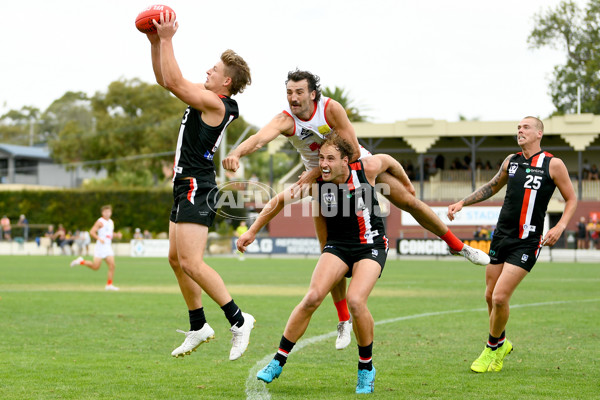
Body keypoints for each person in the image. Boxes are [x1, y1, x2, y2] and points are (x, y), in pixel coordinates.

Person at [223, 69, 489, 350]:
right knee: (329, 248)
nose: (293, 98)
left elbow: (351, 149)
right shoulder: (284, 120)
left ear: (313, 94)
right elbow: (262, 139)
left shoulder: (331, 109)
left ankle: (458, 246)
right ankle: (343, 320)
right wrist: (237, 153)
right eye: (289, 92)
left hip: (353, 168)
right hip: (323, 183)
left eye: (299, 92)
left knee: (409, 202)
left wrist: (405, 183)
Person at [238, 135, 398, 393]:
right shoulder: (315, 183)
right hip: (338, 246)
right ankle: (278, 360)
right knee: (312, 297)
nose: (323, 163)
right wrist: (252, 231)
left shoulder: (365, 169)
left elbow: (390, 161)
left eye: (330, 159)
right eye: (321, 158)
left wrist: (409, 186)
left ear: (345, 161)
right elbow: (278, 201)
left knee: (356, 301)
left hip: (371, 245)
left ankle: (366, 368)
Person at [145, 10, 254, 361]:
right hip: (184, 184)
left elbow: (176, 83)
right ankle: (198, 326)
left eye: (215, 70)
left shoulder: (215, 103)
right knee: (176, 260)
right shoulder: (207, 97)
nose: (208, 71)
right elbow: (166, 81)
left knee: (192, 261)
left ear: (226, 83)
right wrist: (153, 42)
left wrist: (167, 39)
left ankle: (239, 320)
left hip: (197, 185)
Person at [447, 116, 577, 373]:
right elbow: (492, 186)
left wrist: (559, 226)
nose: (520, 130)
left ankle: (490, 348)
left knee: (499, 297)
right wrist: (463, 202)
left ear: (539, 133)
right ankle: (503, 343)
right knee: (489, 296)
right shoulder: (512, 161)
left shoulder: (553, 164)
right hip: (502, 236)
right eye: (518, 127)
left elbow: (571, 199)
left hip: (527, 242)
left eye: (526, 127)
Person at [70, 205, 122, 290]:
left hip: (108, 246)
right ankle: (81, 261)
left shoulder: (111, 222)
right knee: (95, 267)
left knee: (112, 266)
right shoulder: (100, 222)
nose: (107, 213)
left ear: (111, 212)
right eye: (105, 212)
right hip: (100, 247)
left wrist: (117, 235)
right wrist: (99, 238)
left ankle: (109, 285)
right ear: (102, 213)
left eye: (109, 211)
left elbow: (110, 234)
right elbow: (92, 232)